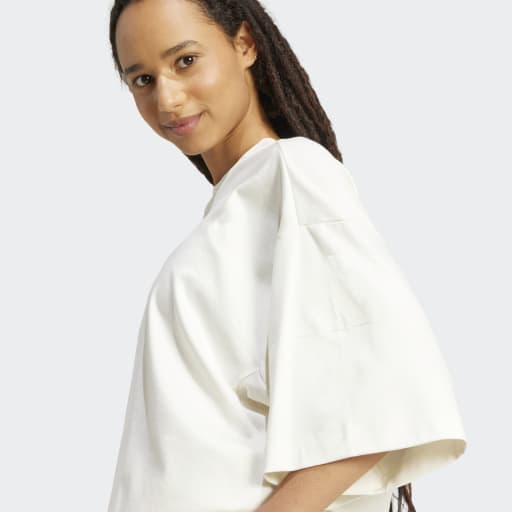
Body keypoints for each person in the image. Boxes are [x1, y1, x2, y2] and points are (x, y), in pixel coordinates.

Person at [107, 1, 468, 511]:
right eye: (142, 80)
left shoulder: (293, 174)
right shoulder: (241, 203)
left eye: (185, 60)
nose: (166, 98)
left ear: (244, 44)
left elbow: (379, 400)